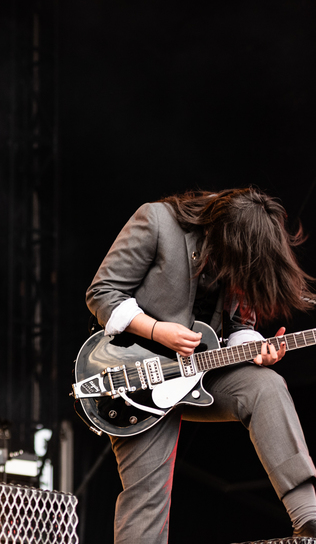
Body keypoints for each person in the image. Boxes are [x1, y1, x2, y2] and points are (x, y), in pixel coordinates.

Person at [86, 187, 316, 542]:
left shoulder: (239, 253)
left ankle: (309, 517)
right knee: (146, 498)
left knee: (266, 385)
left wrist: (256, 350)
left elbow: (240, 325)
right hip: (136, 380)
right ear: (227, 235)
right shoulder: (157, 220)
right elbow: (102, 292)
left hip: (203, 374)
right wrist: (158, 330)